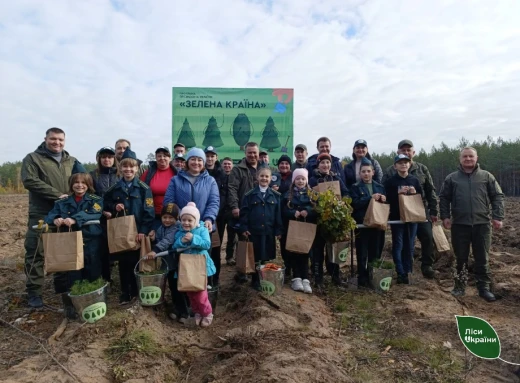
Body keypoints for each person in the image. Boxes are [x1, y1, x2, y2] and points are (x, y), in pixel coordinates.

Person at [21, 127, 84, 308]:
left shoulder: (71, 160)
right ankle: (34, 292)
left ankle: (62, 288)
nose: (57, 143)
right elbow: (30, 181)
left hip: (64, 213)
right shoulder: (33, 158)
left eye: (60, 140)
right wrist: (57, 194)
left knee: (62, 250)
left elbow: (82, 180)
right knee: (35, 251)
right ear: (45, 139)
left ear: (65, 141)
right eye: (53, 139)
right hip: (41, 213)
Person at [439, 147, 505, 302]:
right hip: (460, 225)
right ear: (460, 159)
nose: (468, 159)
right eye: (465, 156)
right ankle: (459, 286)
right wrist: (445, 216)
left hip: (482, 224)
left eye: (471, 156)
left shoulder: (486, 176)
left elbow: (497, 196)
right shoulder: (452, 178)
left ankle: (484, 288)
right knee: (460, 257)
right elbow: (444, 198)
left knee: (482, 258)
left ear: (476, 158)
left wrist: (498, 216)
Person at [163, 147, 220, 315]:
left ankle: (202, 307)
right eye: (193, 159)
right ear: (187, 161)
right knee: (181, 267)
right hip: (180, 228)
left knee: (201, 266)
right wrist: (184, 218)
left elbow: (214, 202)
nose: (196, 163)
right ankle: (183, 307)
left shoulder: (210, 181)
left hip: (202, 229)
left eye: (200, 160)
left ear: (204, 163)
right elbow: (169, 202)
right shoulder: (176, 180)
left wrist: (209, 219)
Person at [44, 172, 103, 318]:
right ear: (71, 184)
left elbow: (95, 213)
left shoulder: (96, 200)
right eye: (76, 182)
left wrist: (75, 219)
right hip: (69, 242)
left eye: (83, 182)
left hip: (90, 240)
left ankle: (94, 302)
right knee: (73, 273)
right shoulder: (62, 202)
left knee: (92, 270)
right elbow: (50, 215)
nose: (80, 185)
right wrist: (56, 219)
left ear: (88, 185)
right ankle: (75, 305)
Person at [103, 147, 154, 304]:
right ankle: (125, 292)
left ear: (137, 168)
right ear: (120, 168)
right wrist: (113, 207)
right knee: (123, 262)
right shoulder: (114, 189)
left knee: (136, 262)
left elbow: (149, 211)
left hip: (137, 232)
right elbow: (105, 204)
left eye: (131, 166)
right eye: (125, 166)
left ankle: (137, 290)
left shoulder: (145, 189)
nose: (128, 169)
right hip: (122, 232)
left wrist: (143, 231)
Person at [382, 139, 438, 279]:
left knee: (426, 238)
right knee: (400, 243)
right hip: (398, 213)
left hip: (418, 211)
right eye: (403, 150)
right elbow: (385, 193)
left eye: (408, 150)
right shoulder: (389, 173)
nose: (406, 153)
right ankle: (402, 271)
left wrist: (433, 210)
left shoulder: (421, 170)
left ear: (413, 153)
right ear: (397, 154)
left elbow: (430, 190)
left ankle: (426, 266)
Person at [309, 153, 349, 289]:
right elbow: (309, 197)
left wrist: (343, 202)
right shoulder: (313, 180)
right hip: (318, 220)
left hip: (333, 220)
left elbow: (345, 192)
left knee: (333, 248)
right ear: (318, 164)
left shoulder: (336, 178)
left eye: (327, 163)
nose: (325, 165)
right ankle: (318, 278)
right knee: (317, 249)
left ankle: (335, 276)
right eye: (322, 163)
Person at [238, 167, 283, 291]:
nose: (264, 178)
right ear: (257, 178)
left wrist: (278, 230)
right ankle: (255, 280)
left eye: (267, 176)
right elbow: (244, 213)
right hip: (254, 231)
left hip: (268, 231)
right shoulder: (250, 195)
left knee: (265, 256)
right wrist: (244, 227)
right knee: (255, 256)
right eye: (262, 176)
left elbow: (278, 214)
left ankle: (264, 279)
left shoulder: (276, 195)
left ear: (270, 179)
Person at [173, 202, 216, 327]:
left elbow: (206, 244)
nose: (186, 223)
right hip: (187, 267)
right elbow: (175, 246)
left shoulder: (202, 230)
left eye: (189, 220)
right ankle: (197, 313)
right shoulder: (180, 232)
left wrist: (193, 239)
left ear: (195, 220)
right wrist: (181, 241)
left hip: (199, 266)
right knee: (190, 292)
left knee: (200, 292)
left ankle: (207, 313)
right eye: (183, 220)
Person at [384, 154, 422, 284]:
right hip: (397, 218)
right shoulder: (390, 182)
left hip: (412, 218)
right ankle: (400, 272)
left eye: (406, 162)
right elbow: (386, 200)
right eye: (400, 163)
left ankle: (408, 271)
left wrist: (414, 192)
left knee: (410, 246)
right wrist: (397, 194)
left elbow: (421, 198)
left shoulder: (414, 180)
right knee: (398, 245)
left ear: (410, 164)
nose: (403, 165)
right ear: (395, 166)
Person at [228, 142, 261, 283]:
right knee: (243, 241)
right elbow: (232, 188)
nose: (252, 155)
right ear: (245, 153)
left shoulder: (264, 168)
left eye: (255, 152)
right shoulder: (237, 170)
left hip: (260, 212)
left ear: (258, 153)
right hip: (244, 211)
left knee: (258, 243)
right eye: (249, 153)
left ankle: (257, 274)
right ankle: (242, 273)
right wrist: (235, 206)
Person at [350, 159, 386, 288]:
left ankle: (372, 276)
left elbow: (385, 205)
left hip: (377, 224)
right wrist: (369, 198)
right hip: (362, 224)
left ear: (373, 172)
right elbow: (354, 203)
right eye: (363, 172)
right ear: (360, 174)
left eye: (368, 171)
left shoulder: (380, 187)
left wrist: (383, 199)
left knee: (375, 252)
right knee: (361, 252)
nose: (366, 174)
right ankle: (362, 277)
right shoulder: (355, 187)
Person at [282, 168, 316, 294]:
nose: (300, 181)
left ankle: (306, 278)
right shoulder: (288, 195)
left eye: (303, 179)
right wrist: (293, 213)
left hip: (307, 228)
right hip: (293, 228)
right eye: (298, 179)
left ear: (306, 181)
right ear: (293, 180)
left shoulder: (312, 195)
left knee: (306, 252)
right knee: (294, 251)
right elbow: (283, 211)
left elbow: (317, 209)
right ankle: (296, 278)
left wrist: (308, 211)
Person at [90, 146, 120, 285]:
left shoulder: (119, 175)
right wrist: (101, 211)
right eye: (104, 157)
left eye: (109, 157)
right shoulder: (93, 176)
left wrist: (115, 210)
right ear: (99, 159)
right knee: (103, 250)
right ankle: (106, 280)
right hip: (100, 218)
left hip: (118, 216)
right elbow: (91, 197)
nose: (107, 159)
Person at [140, 146, 177, 229]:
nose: (162, 158)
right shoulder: (148, 173)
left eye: (165, 156)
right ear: (156, 158)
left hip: (172, 215)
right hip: (153, 215)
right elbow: (140, 190)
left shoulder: (176, 172)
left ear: (170, 158)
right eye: (159, 156)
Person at [204, 146, 225, 284]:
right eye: (208, 155)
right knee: (202, 246)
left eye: (212, 156)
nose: (210, 158)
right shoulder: (199, 172)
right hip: (200, 216)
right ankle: (203, 277)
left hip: (218, 217)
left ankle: (215, 278)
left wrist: (215, 212)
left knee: (216, 248)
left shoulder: (222, 174)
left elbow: (224, 195)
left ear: (216, 158)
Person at [270, 154, 293, 275]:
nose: (284, 166)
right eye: (282, 164)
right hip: (278, 215)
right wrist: (272, 189)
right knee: (283, 241)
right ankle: (287, 266)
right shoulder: (274, 177)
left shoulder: (294, 176)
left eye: (286, 163)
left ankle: (295, 266)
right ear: (278, 166)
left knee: (292, 240)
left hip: (291, 214)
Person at [219, 157, 237, 265]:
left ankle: (229, 257)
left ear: (232, 166)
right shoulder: (218, 177)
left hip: (231, 211)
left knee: (232, 236)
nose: (227, 166)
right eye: (225, 164)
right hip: (220, 212)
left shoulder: (235, 178)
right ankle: (217, 257)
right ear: (222, 165)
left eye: (229, 164)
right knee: (219, 236)